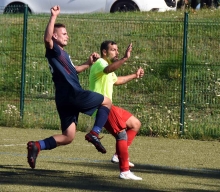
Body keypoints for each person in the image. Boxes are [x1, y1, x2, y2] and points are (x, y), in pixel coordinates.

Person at [26, 5, 112, 169]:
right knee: (107, 102)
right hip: (73, 94)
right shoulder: (54, 50)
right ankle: (95, 132)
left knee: (68, 136)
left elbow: (73, 71)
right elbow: (46, 40)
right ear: (55, 36)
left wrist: (87, 64)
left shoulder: (63, 55)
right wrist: (54, 16)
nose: (67, 36)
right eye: (64, 34)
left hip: (63, 98)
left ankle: (37, 146)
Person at [89, 41, 144, 180]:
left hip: (109, 106)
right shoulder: (100, 63)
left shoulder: (107, 66)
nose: (117, 52)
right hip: (102, 107)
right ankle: (125, 171)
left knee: (135, 124)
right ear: (104, 52)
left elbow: (117, 80)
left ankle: (117, 156)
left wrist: (134, 75)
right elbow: (108, 70)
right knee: (121, 135)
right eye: (113, 50)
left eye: (117, 50)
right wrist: (125, 59)